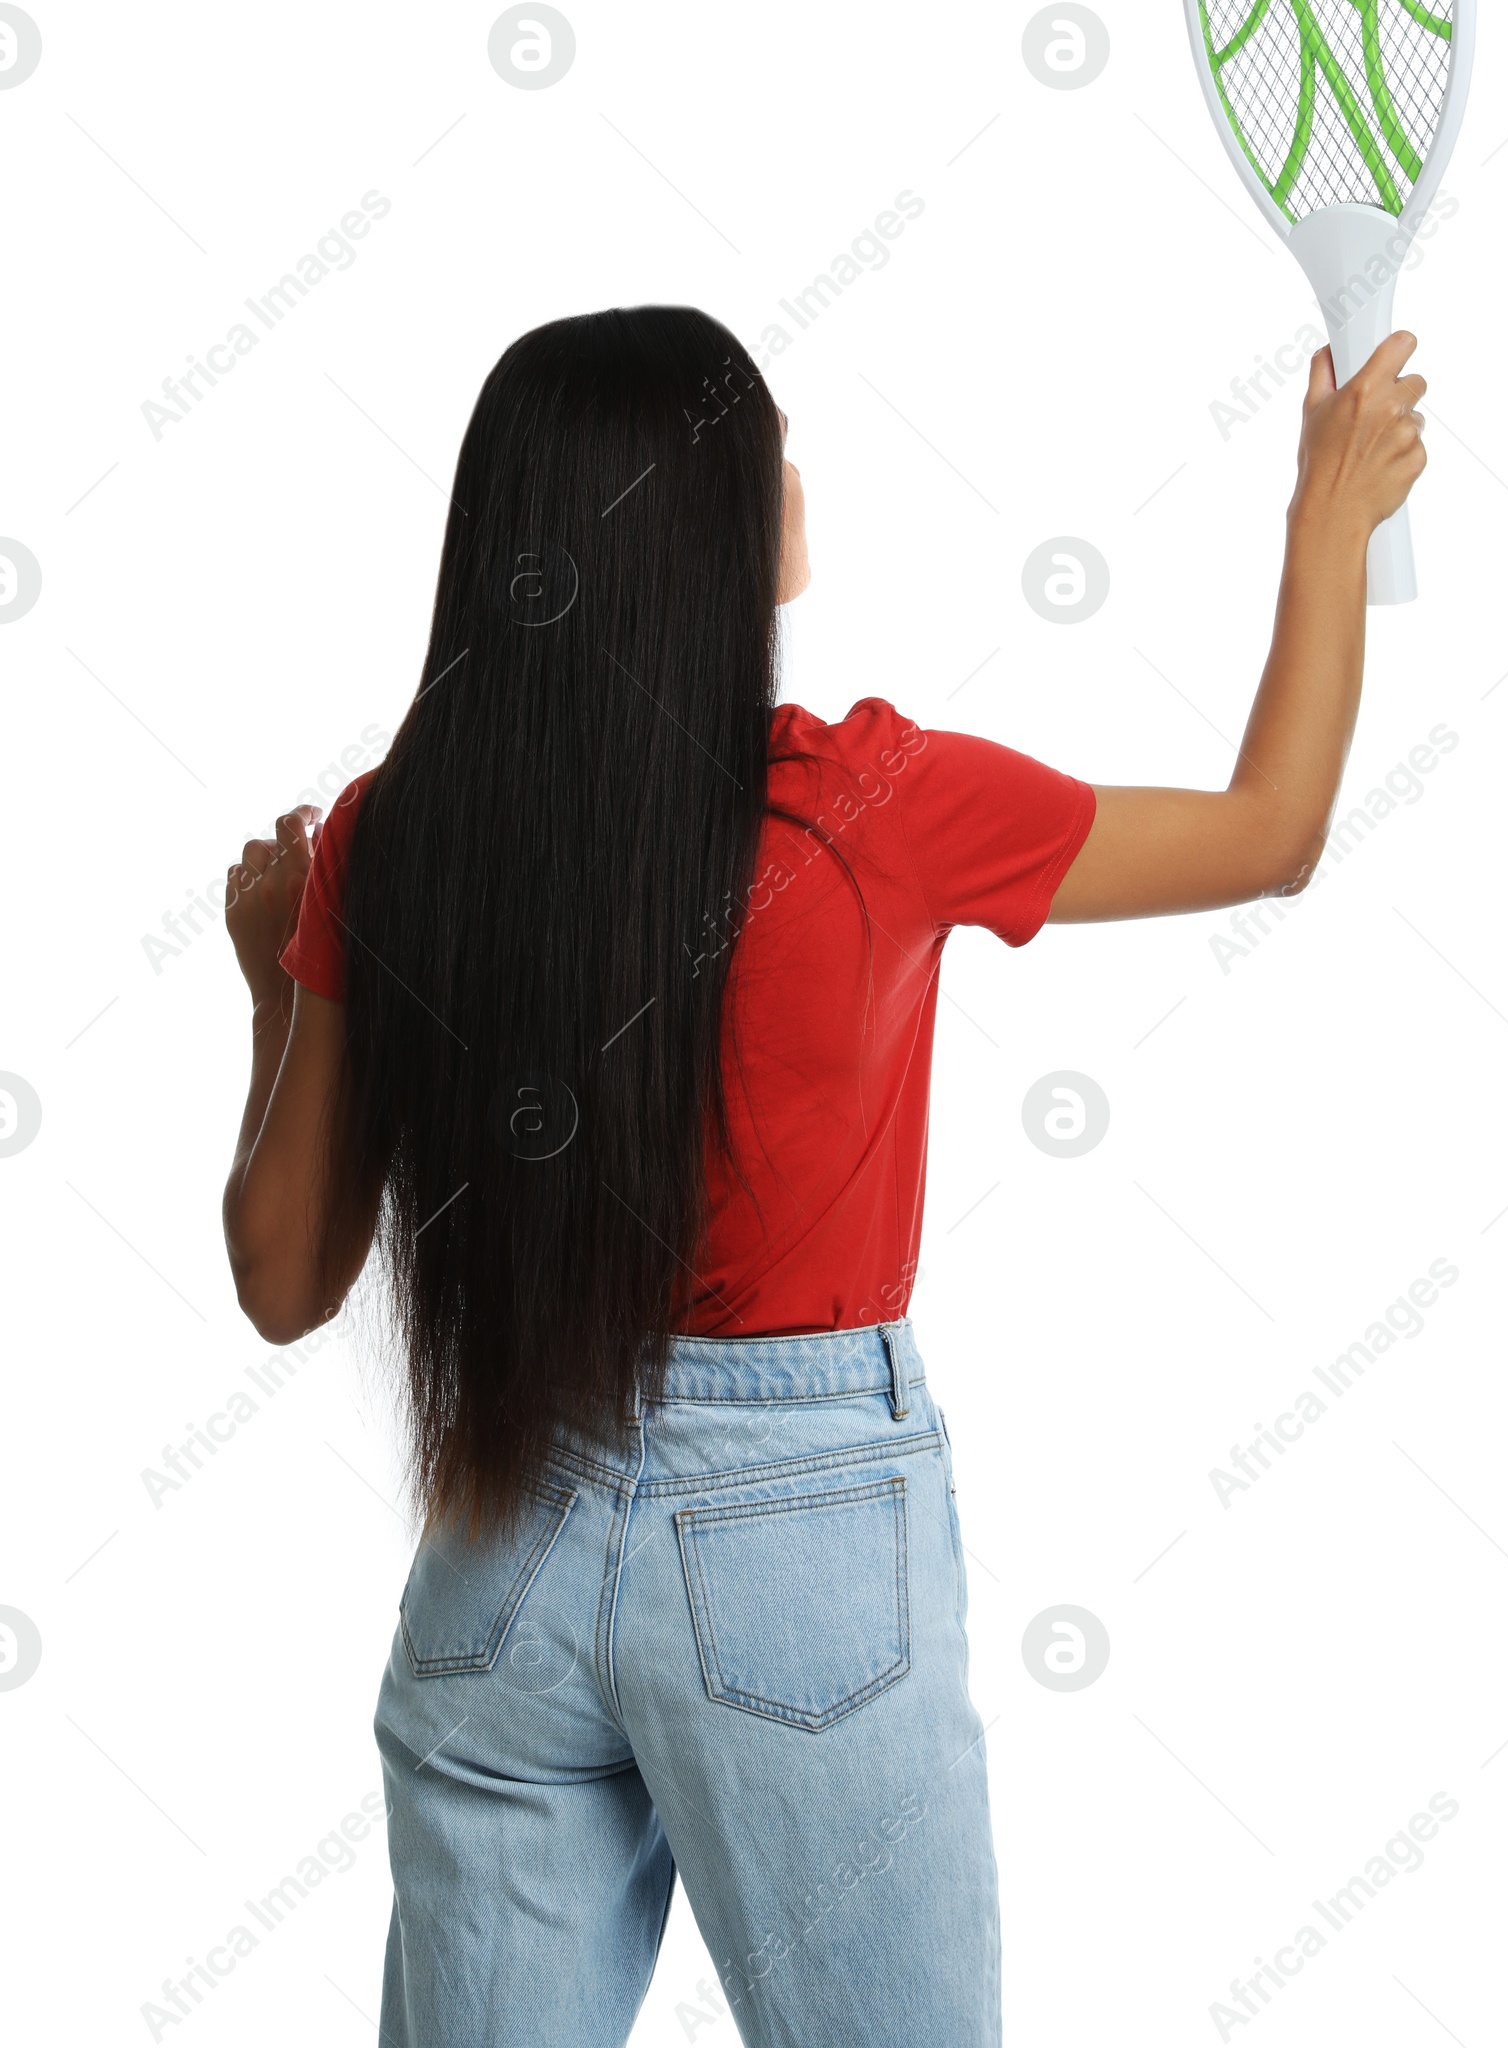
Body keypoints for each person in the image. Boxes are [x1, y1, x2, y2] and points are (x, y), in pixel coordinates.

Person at [221, 304, 1425, 2046]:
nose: (797, 471)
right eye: (767, 449)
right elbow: (1271, 831)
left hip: (502, 1543)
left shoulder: (400, 833)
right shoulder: (868, 807)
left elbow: (283, 1281)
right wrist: (1326, 524)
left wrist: (276, 992)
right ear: (720, 543)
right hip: (796, 1546)